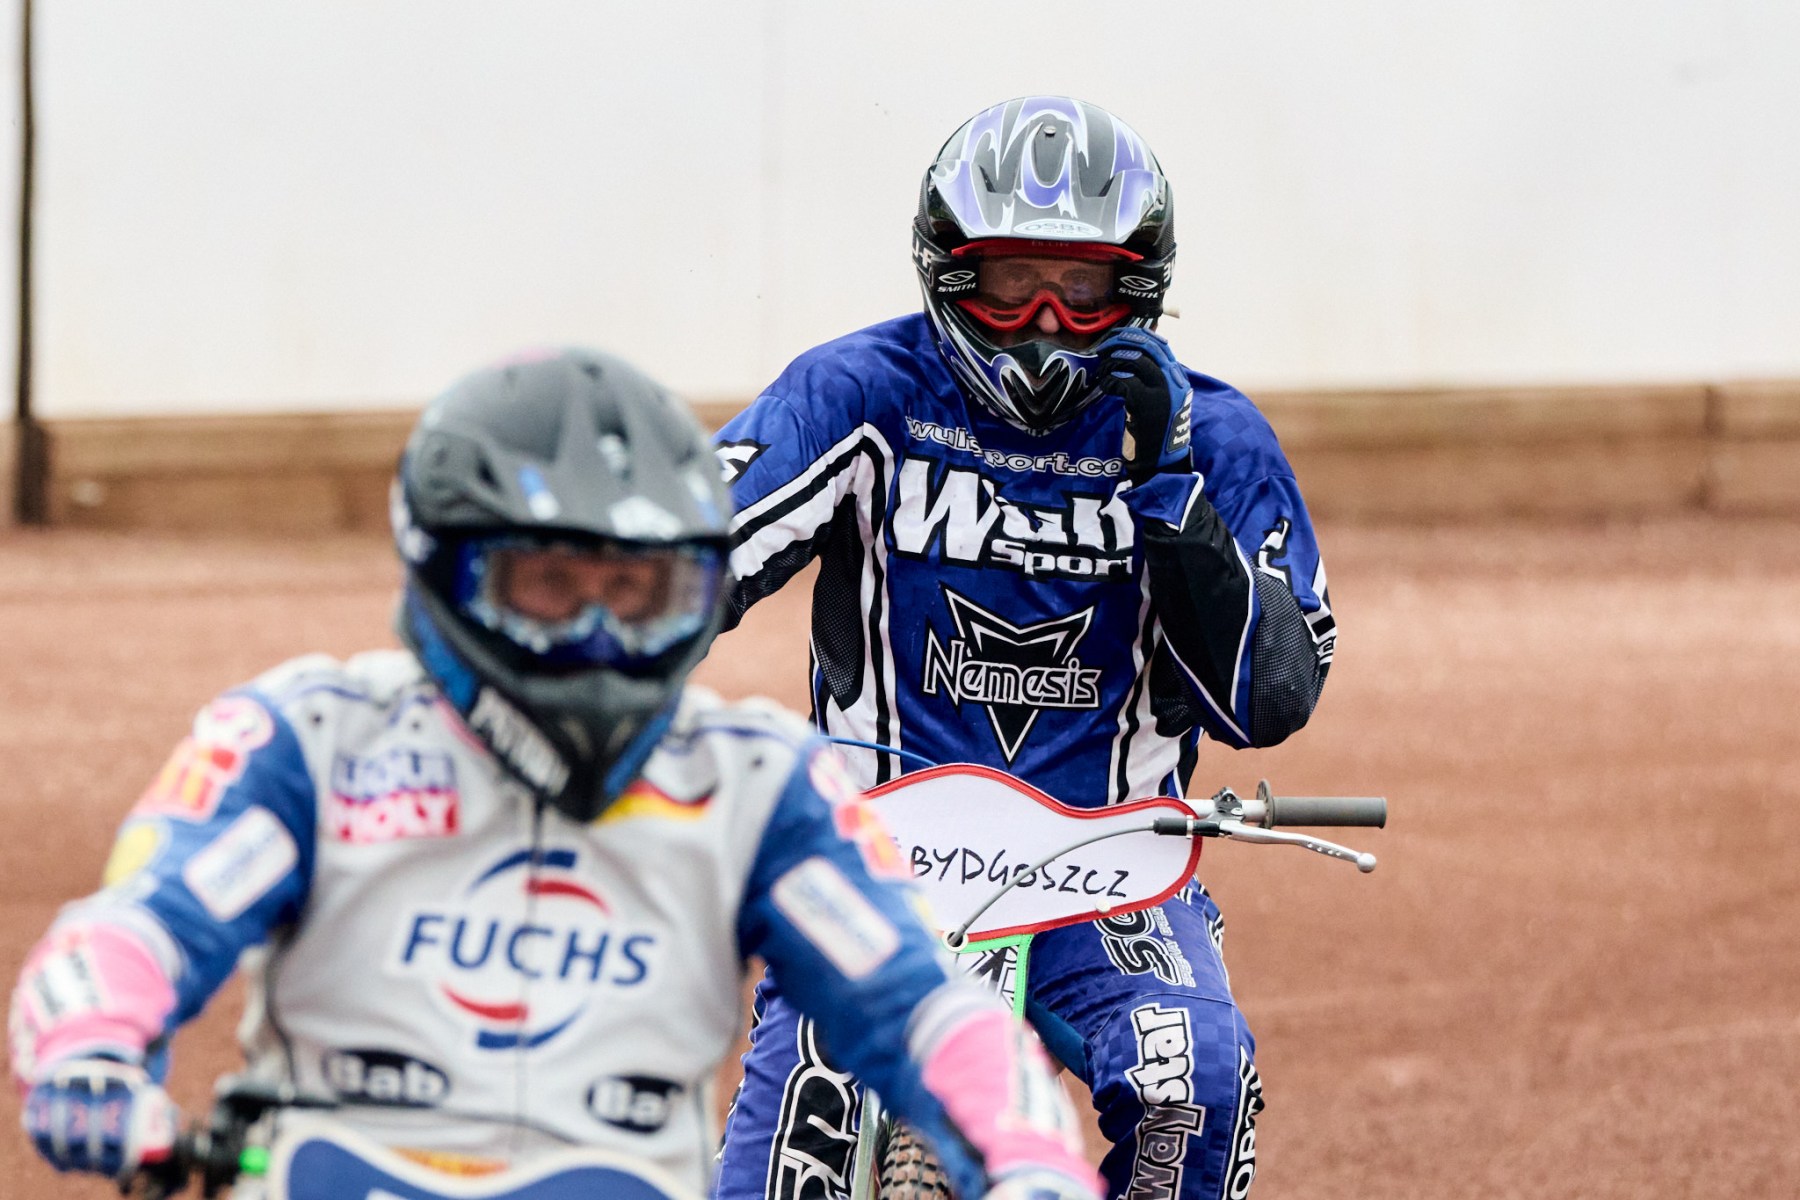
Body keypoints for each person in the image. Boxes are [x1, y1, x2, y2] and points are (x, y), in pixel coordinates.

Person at [6, 349, 1102, 1200]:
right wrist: (89, 1054)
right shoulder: (312, 738)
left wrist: (1029, 1155)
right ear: (447, 569)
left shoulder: (758, 784)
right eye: (548, 586)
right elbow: (139, 928)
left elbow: (921, 1009)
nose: (597, 636)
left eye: (636, 593)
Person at [711, 97, 1335, 1200]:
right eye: (1012, 283)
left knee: (1197, 1081)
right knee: (799, 1138)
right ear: (949, 271)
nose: (1046, 322)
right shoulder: (860, 391)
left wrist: (1171, 486)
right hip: (875, 848)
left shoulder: (1216, 434)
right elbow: (691, 555)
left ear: (1140, 290)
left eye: (1082, 290)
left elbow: (1270, 700)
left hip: (1112, 862)